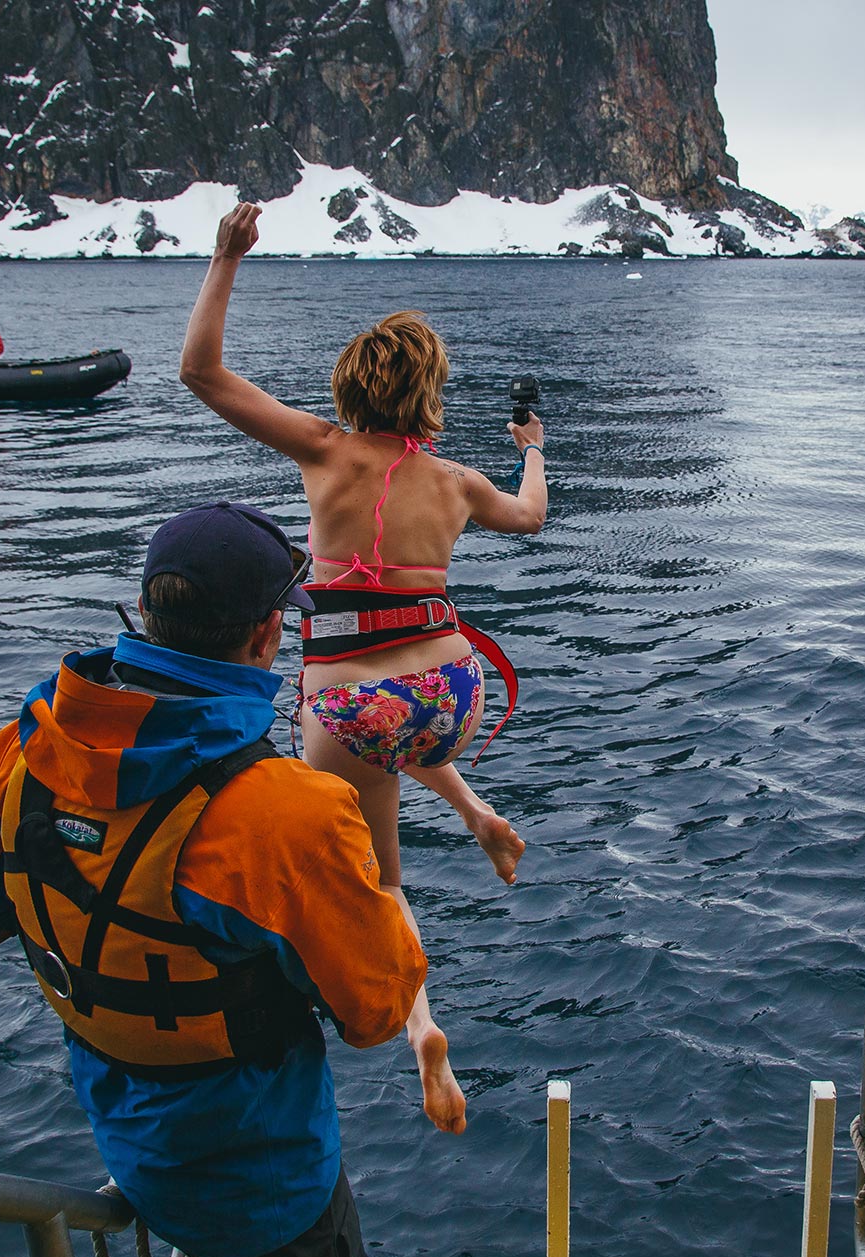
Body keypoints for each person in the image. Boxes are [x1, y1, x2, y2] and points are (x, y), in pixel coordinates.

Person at [0, 501, 427, 1257]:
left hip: (130, 1146)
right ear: (267, 638)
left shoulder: (19, 754)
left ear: (147, 616)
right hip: (265, 1191)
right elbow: (376, 1010)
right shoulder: (287, 813)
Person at [180, 201, 548, 1136]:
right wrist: (533, 450)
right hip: (457, 692)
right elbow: (531, 516)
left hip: (353, 704)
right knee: (400, 726)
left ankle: (426, 1028)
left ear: (352, 384)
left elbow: (201, 372)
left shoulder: (321, 447)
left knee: (382, 877)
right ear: (428, 392)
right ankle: (477, 811)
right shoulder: (461, 482)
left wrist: (226, 256)